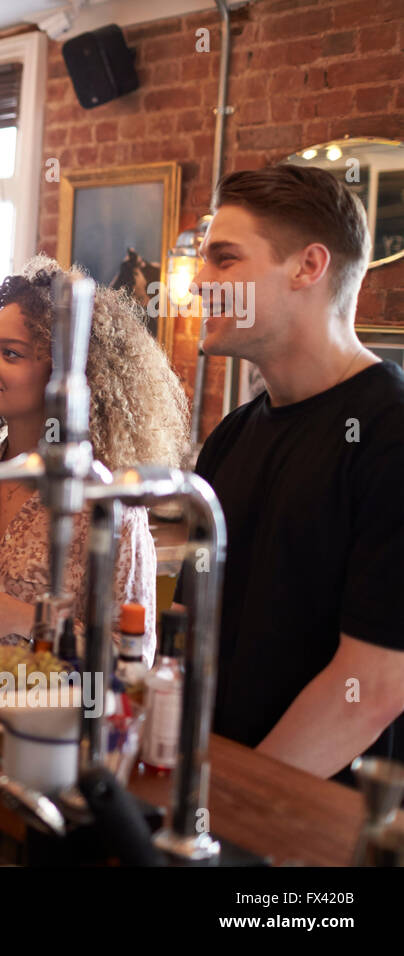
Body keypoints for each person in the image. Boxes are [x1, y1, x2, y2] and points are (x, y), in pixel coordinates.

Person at [184, 163, 404, 780]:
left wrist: (233, 808)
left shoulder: (390, 433)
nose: (198, 283)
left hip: (321, 838)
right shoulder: (230, 438)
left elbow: (376, 682)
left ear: (309, 267)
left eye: (223, 260)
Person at [0, 258, 188, 657]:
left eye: (11, 354)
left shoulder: (108, 503)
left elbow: (131, 654)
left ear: (68, 373)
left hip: (48, 713)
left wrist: (25, 617)